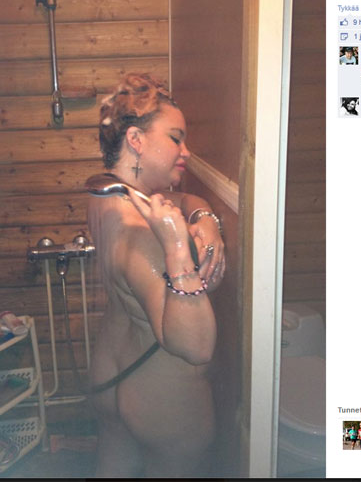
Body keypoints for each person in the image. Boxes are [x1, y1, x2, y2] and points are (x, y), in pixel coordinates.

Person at [87, 73, 226, 477]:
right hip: (162, 399)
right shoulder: (145, 233)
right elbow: (196, 347)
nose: (186, 151)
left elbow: (184, 197)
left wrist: (206, 217)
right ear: (136, 140)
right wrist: (178, 247)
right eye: (175, 138)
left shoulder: (106, 194)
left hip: (111, 374)